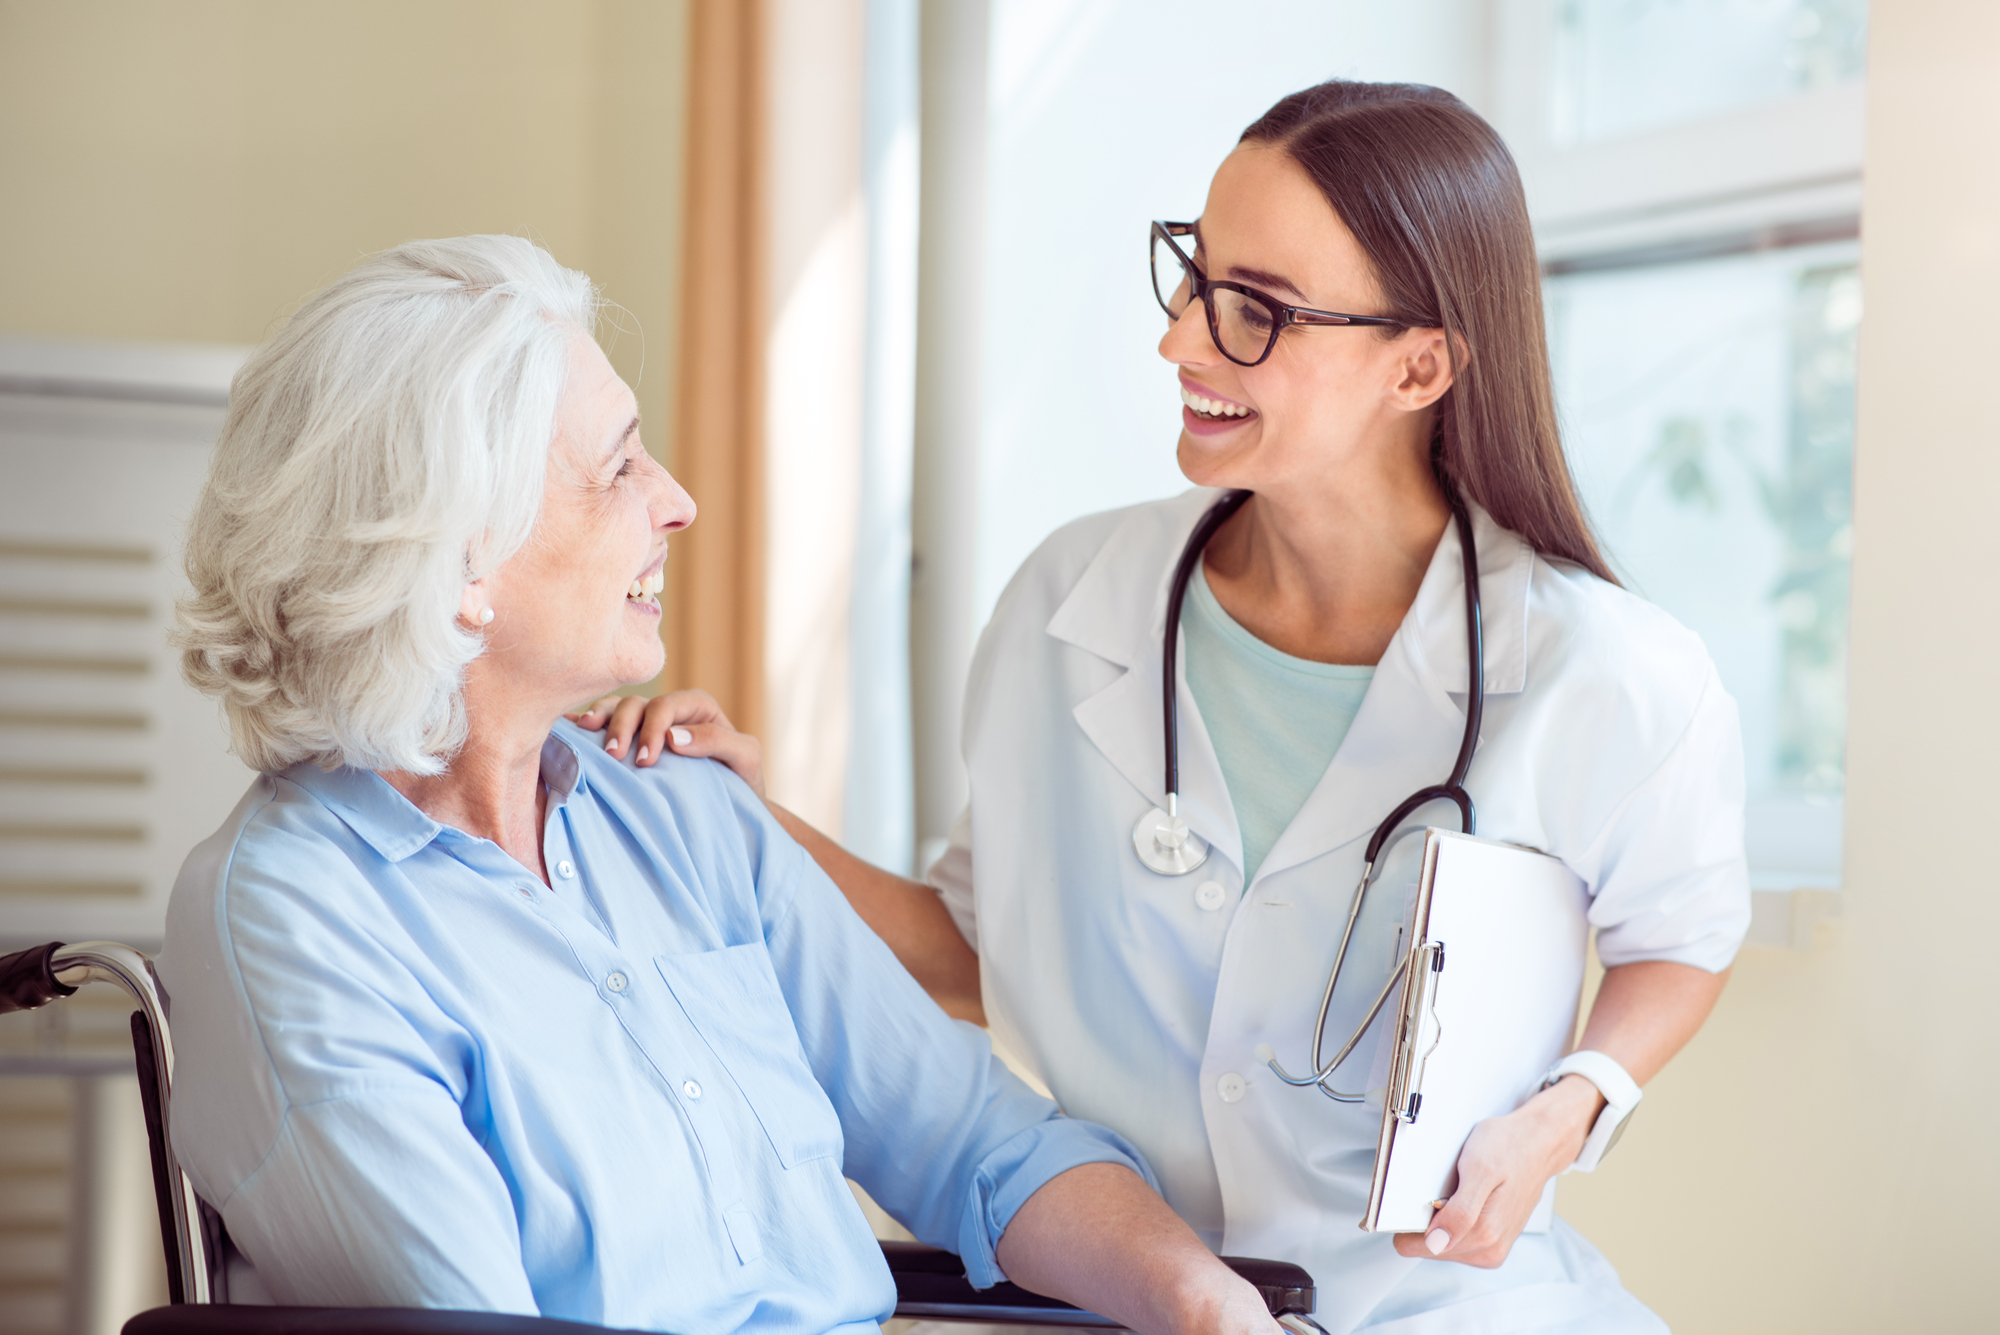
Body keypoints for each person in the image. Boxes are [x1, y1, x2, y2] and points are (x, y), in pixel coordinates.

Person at [586, 81, 1750, 1334]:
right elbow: (983, 952)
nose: (1181, 341)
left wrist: (1568, 1103)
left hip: (1448, 1307)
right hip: (1134, 1294)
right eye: (1195, 276)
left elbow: (1676, 938)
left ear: (1416, 366)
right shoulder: (1065, 604)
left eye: (1256, 311)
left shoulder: (1606, 671)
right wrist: (748, 823)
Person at [159, 235, 1283, 1335]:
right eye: (618, 468)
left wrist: (1200, 1302)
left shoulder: (679, 808)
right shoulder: (294, 916)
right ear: (461, 564)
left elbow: (977, 1142)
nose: (677, 501)